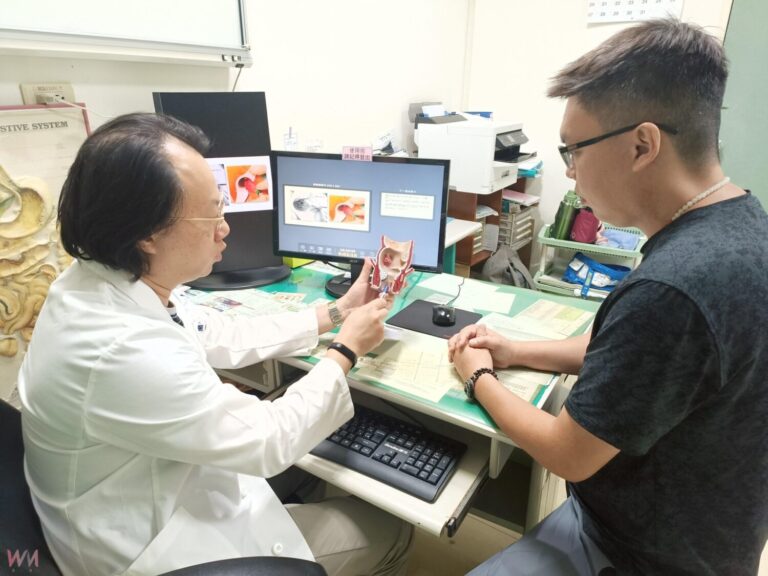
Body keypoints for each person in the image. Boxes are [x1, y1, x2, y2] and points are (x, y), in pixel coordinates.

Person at [18, 113, 412, 576]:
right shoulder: (120, 349)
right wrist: (345, 351)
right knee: (391, 528)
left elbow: (217, 331)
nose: (225, 227)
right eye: (212, 213)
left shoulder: (98, 280)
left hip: (152, 493)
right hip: (157, 554)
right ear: (146, 234)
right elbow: (269, 440)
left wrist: (338, 312)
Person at [450, 18, 767, 576]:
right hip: (707, 536)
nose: (571, 174)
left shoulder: (674, 289)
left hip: (640, 555)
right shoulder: (737, 222)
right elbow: (623, 350)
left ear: (642, 145)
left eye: (574, 151)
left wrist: (478, 377)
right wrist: (514, 350)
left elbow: (567, 453)